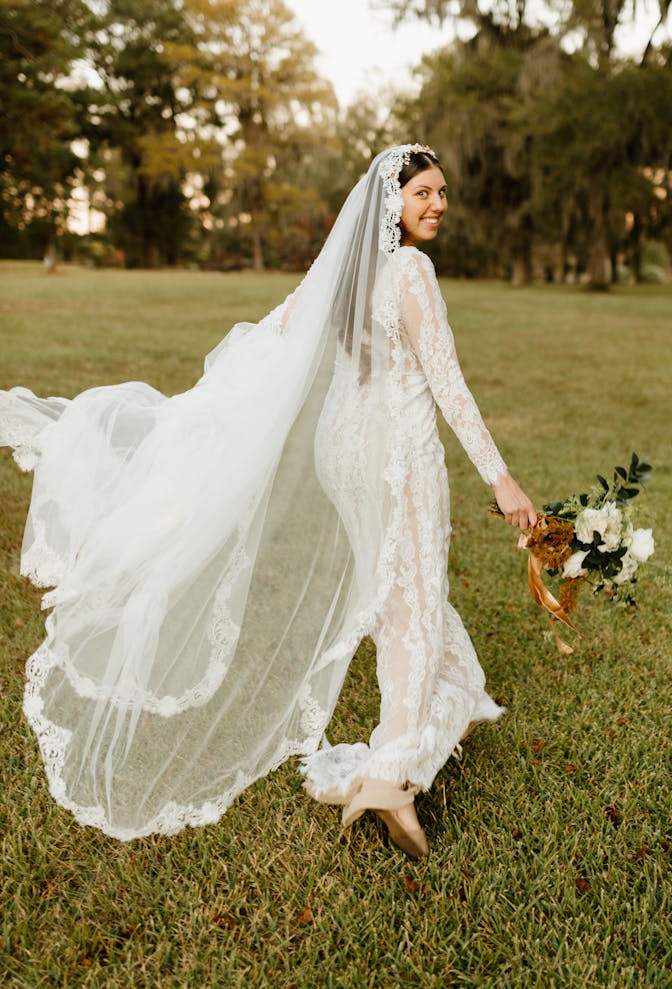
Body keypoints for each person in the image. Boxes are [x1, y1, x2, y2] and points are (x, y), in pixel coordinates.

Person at [0, 144, 536, 859]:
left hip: (344, 451)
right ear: (392, 204)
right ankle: (394, 773)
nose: (437, 204)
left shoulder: (349, 270)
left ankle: (454, 699)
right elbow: (449, 386)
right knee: (409, 594)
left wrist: (201, 408)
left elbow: (279, 329)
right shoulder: (410, 268)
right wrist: (501, 477)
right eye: (423, 193)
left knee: (398, 587)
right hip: (396, 454)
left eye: (443, 192)